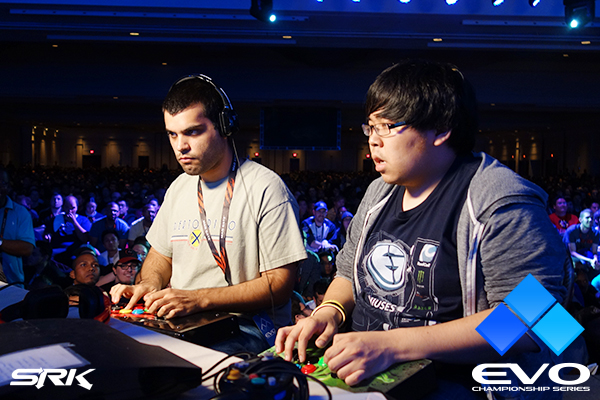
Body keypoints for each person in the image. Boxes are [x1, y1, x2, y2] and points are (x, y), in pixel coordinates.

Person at [276, 60, 573, 397]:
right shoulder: (378, 192)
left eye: (387, 126)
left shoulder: (501, 202)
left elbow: (531, 322)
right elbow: (347, 273)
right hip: (365, 367)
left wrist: (392, 345)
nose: (374, 141)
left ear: (441, 130)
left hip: (458, 383)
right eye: (370, 128)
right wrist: (330, 311)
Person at [111, 74, 306, 354]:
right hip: (183, 320)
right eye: (172, 134)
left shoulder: (266, 188)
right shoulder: (179, 187)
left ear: (225, 127)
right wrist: (150, 284)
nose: (180, 146)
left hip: (248, 326)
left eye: (192, 132)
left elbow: (279, 285)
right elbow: (160, 256)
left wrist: (198, 299)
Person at [0, 167, 35, 285]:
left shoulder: (20, 212)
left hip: (12, 283)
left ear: (9, 186)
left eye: (3, 183)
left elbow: (27, 249)